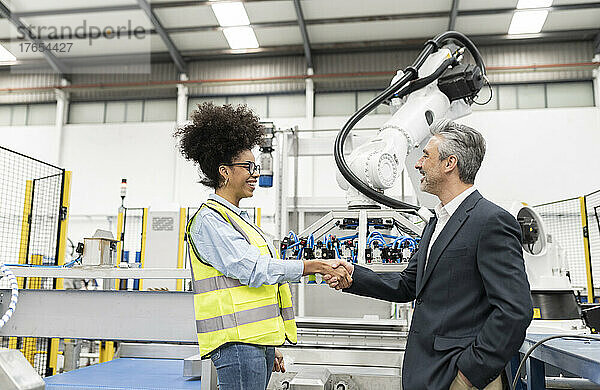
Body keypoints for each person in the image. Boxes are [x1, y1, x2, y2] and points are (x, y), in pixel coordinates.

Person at [324, 119, 533, 390]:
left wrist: (468, 375)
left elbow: (514, 310)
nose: (417, 164)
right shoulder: (437, 221)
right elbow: (408, 284)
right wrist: (354, 275)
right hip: (428, 370)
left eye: (425, 155)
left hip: (460, 376)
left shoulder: (491, 221)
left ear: (450, 163)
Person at [174, 102, 352, 390]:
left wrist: (269, 345)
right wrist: (315, 266)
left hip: (253, 344)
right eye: (248, 167)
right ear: (225, 172)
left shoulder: (238, 220)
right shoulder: (210, 220)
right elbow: (254, 270)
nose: (255, 173)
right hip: (238, 345)